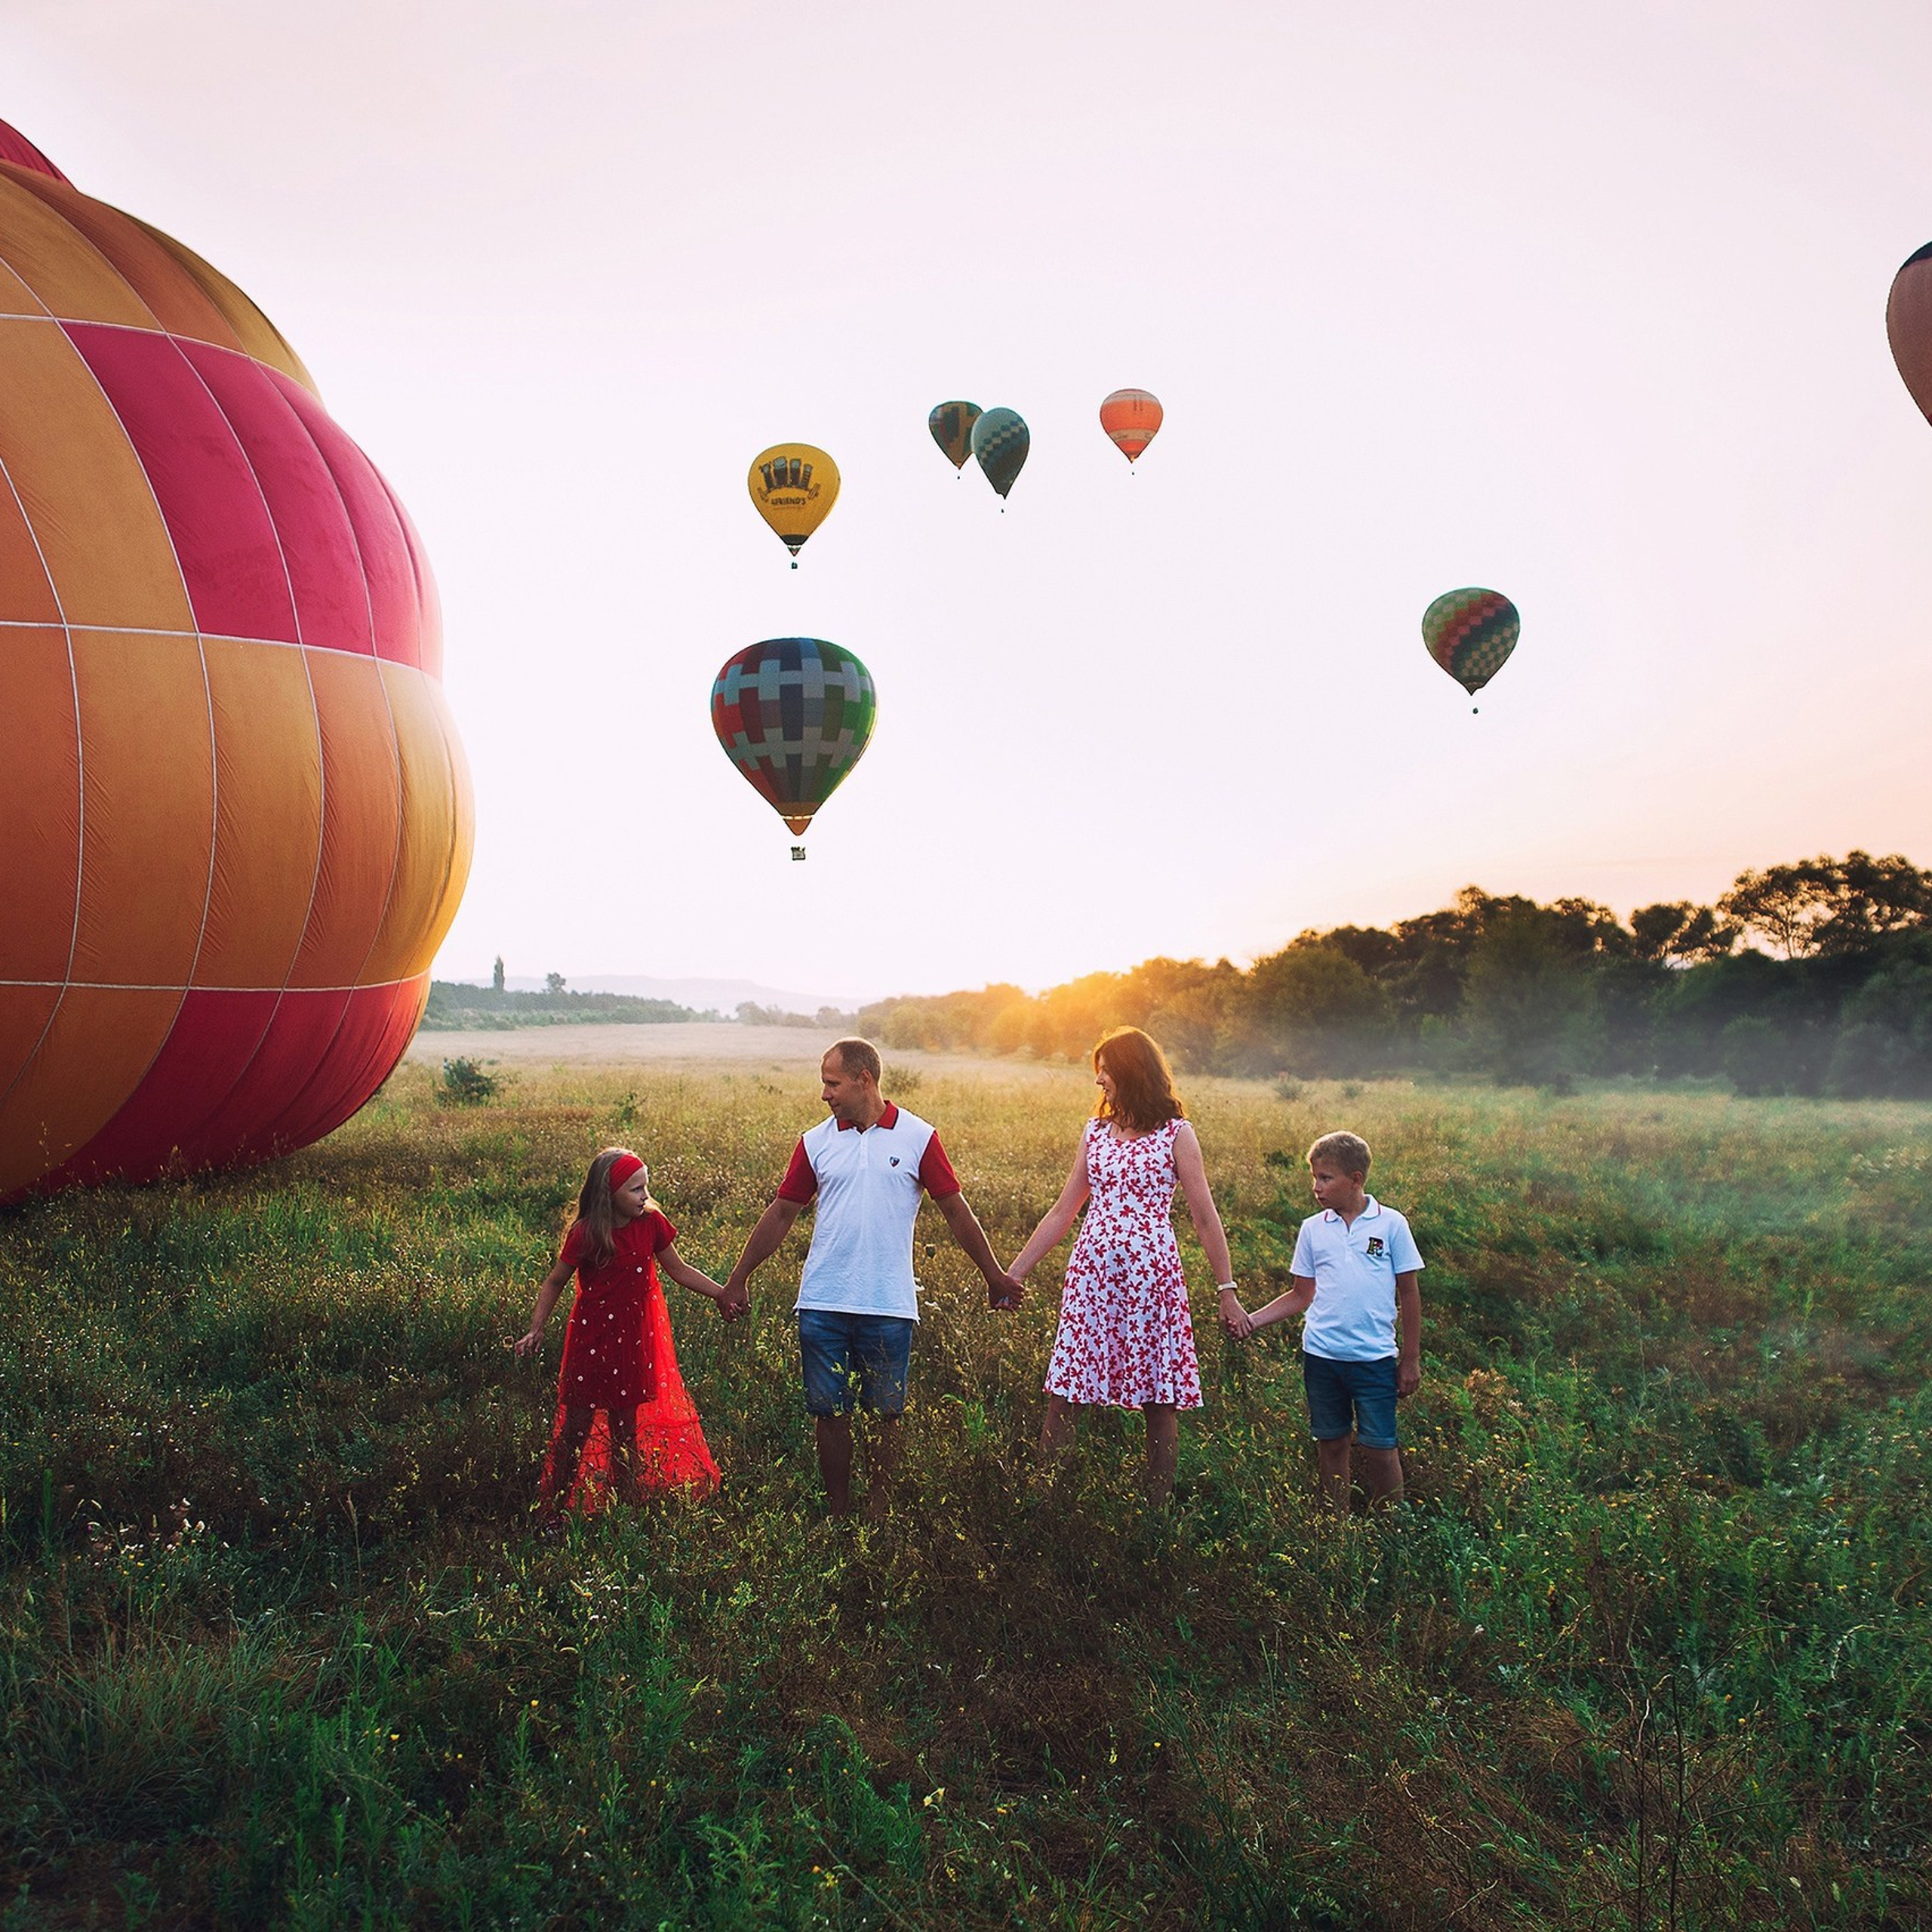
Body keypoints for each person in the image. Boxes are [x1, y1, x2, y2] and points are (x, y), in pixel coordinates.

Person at [721, 1038, 1020, 1519]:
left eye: (832, 1083)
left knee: (887, 1415)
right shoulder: (816, 1141)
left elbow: (954, 1209)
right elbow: (781, 1213)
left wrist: (994, 1275)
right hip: (823, 1301)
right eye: (824, 1083)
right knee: (829, 1414)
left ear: (865, 1079)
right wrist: (738, 1279)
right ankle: (840, 1516)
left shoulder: (919, 1137)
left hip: (888, 1304)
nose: (824, 1094)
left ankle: (878, 1515)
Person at [1007, 1026, 1244, 1507]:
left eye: (1107, 1070)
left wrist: (1227, 1289)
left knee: (1159, 1399)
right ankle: (1046, 1502)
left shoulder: (1177, 1134)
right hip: (1091, 1282)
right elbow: (1063, 1209)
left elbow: (1203, 1214)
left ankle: (1155, 1511)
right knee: (1067, 1389)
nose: (1099, 1081)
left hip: (1150, 1284)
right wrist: (1013, 1274)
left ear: (1131, 1072)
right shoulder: (1095, 1132)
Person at [515, 1147, 729, 1518]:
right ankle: (553, 1507)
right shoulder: (586, 1234)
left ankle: (626, 1502)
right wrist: (536, 1329)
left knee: (625, 1429)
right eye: (635, 1190)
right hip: (591, 1340)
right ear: (608, 1194)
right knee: (576, 1428)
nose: (645, 1196)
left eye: (645, 1187)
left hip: (634, 1340)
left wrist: (722, 1293)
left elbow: (679, 1269)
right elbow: (554, 1282)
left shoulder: (651, 1224)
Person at [1228, 1130, 1423, 1510]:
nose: (1316, 1187)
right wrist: (1253, 1320)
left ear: (1356, 1179)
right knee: (1332, 1445)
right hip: (1322, 1358)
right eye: (1314, 1177)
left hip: (1374, 1359)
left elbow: (1410, 1294)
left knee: (1380, 1449)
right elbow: (1302, 1294)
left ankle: (1395, 1531)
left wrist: (1411, 1360)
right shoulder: (1313, 1229)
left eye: (1326, 1178)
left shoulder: (1391, 1225)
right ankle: (1337, 1528)